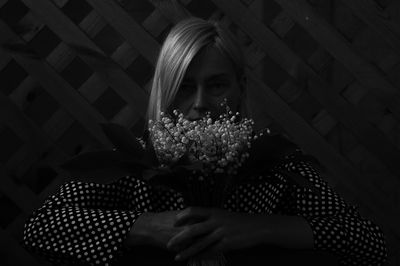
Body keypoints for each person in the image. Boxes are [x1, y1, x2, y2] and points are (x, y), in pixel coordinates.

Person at [22, 17, 387, 266]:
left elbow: (367, 242)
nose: (199, 104)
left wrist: (258, 229)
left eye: (216, 85)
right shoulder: (134, 165)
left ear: (239, 89)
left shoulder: (277, 165)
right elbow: (42, 227)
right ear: (164, 92)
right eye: (183, 87)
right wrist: (149, 227)